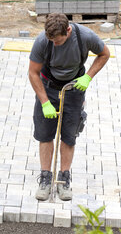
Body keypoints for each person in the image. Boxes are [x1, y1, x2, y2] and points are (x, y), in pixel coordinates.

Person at [28, 13, 110, 201]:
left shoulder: (85, 36)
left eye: (58, 41)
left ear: (68, 30)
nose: (54, 44)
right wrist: (45, 102)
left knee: (69, 136)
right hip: (48, 88)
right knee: (45, 135)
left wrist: (88, 76)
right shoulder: (43, 41)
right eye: (52, 41)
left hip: (73, 90)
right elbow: (33, 73)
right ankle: (46, 178)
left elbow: (105, 54)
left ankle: (64, 179)